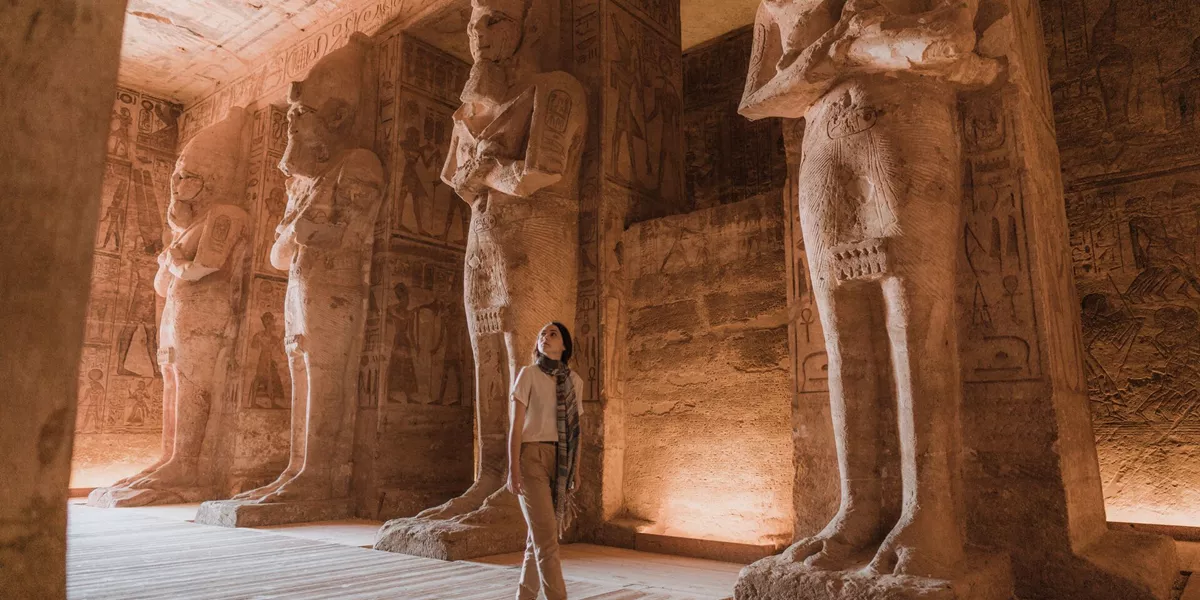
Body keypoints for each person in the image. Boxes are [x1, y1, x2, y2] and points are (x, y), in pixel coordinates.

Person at [506, 322, 583, 600]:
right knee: (547, 541)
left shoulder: (575, 382)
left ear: (564, 346)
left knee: (536, 540)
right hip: (531, 459)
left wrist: (576, 469)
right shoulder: (528, 375)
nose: (545, 337)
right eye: (541, 334)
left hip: (560, 461)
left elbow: (576, 432)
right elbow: (515, 427)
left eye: (553, 334)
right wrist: (513, 468)